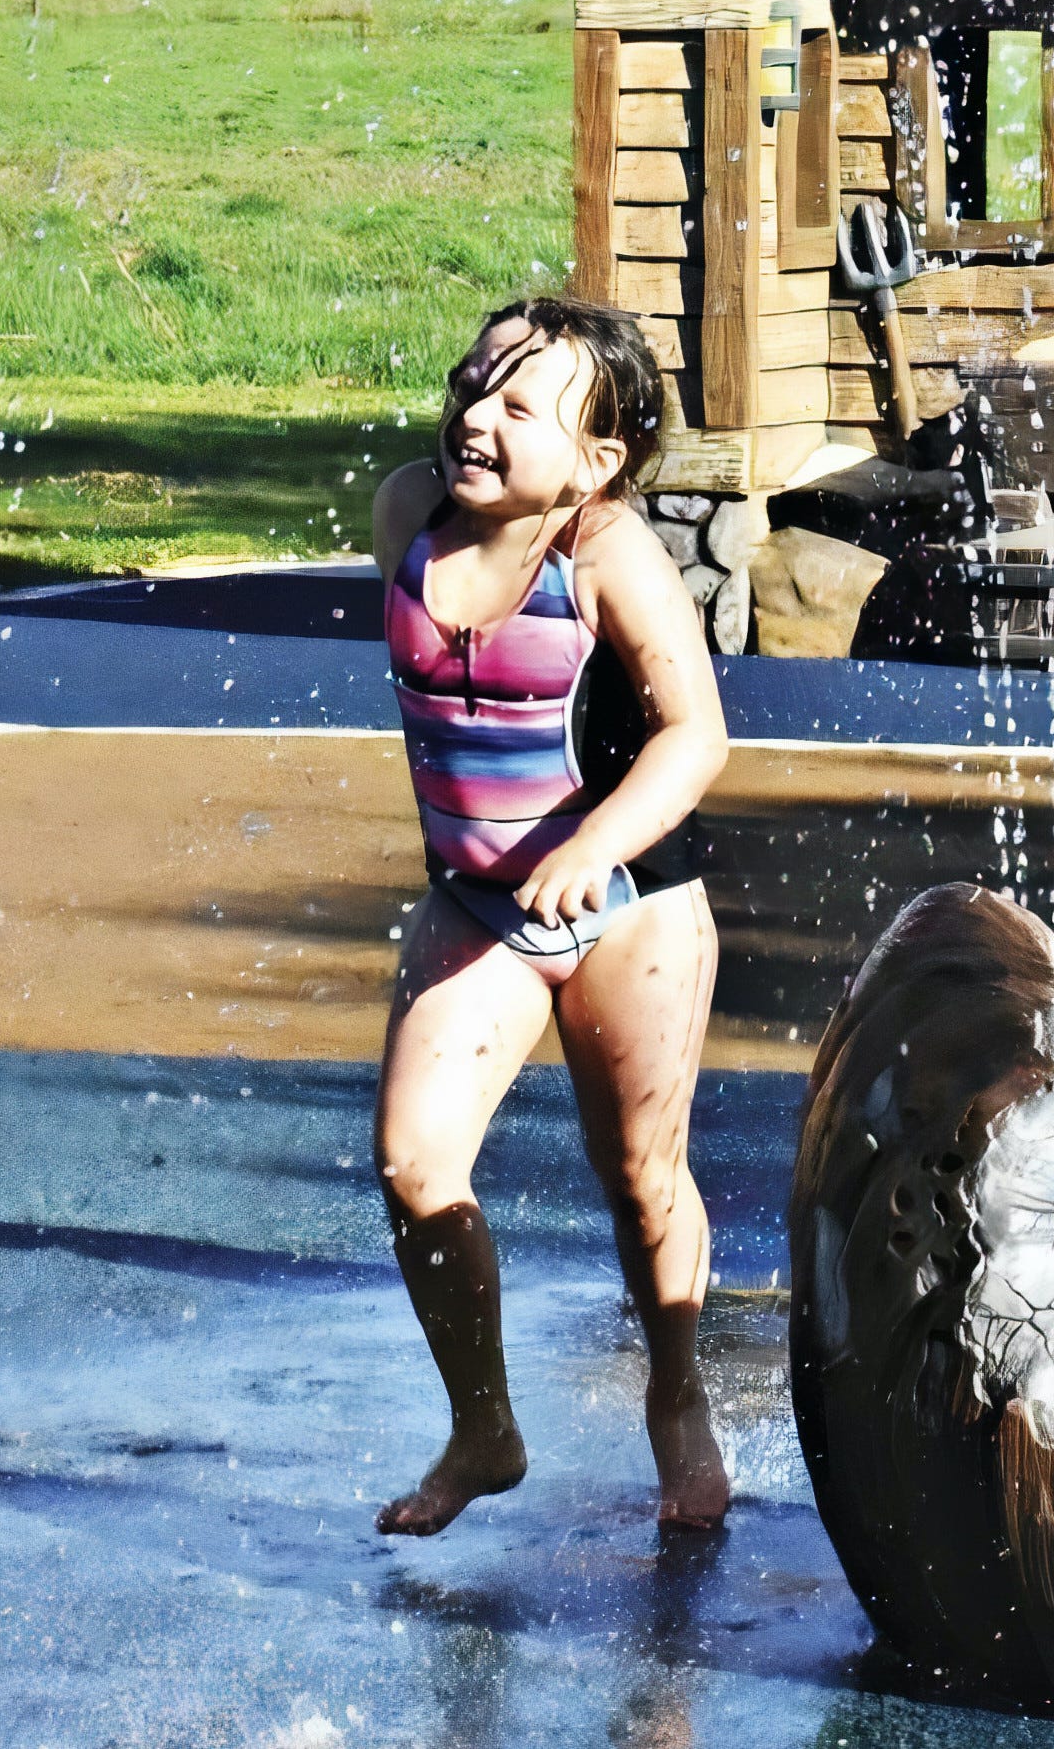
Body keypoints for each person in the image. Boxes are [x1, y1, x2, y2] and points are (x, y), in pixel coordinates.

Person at [366, 296, 734, 1535]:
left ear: (597, 461)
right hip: (479, 905)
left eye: (520, 407)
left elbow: (697, 735)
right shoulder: (406, 515)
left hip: (632, 901)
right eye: (474, 384)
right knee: (415, 1166)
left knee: (639, 1174)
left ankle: (676, 1394)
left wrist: (592, 844)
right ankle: (485, 1426)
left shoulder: (604, 554)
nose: (477, 415)